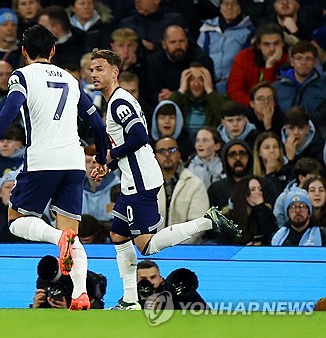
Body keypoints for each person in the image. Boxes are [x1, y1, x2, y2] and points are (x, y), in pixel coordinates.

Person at [0, 24, 109, 310]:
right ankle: (81, 294)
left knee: (16, 221)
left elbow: (10, 107)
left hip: (42, 160)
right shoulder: (70, 80)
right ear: (53, 51)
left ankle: (58, 238)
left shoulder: (22, 75)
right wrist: (103, 157)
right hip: (74, 162)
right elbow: (96, 122)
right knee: (72, 231)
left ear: (23, 52)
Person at [89, 48, 240, 310]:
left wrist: (110, 155)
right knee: (117, 235)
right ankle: (130, 300)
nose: (94, 74)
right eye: (91, 69)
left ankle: (207, 221)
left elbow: (139, 138)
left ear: (115, 72)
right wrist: (109, 165)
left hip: (140, 179)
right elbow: (129, 143)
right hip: (132, 176)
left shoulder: (118, 102)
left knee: (146, 246)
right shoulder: (116, 99)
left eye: (100, 69)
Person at [155, 137, 210, 244]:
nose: (167, 154)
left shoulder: (195, 184)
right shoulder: (144, 184)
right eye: (162, 151)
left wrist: (175, 246)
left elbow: (198, 224)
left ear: (179, 154)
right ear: (155, 156)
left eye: (172, 150)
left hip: (186, 250)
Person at [143, 25, 215, 106]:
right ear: (164, 44)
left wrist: (174, 95)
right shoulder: (154, 61)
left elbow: (205, 92)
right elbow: (150, 92)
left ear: (187, 42)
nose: (178, 46)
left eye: (181, 41)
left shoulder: (201, 60)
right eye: (173, 42)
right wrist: (160, 97)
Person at [197, 0, 254, 93]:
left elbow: (246, 60)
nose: (229, 7)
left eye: (234, 4)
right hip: (206, 80)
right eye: (226, 4)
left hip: (232, 82)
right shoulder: (207, 28)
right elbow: (199, 54)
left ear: (240, 9)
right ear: (220, 8)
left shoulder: (248, 31)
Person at [272, 41, 326, 137]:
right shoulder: (277, 87)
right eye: (299, 58)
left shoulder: (324, 86)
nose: (303, 63)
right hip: (281, 137)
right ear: (291, 61)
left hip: (317, 139)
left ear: (315, 63)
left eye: (308, 59)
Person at [227, 21, 287, 106]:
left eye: (276, 43)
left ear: (282, 44)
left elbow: (275, 95)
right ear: (259, 45)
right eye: (266, 44)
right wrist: (256, 105)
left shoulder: (287, 60)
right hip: (248, 107)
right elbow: (235, 92)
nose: (272, 48)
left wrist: (269, 67)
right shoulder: (243, 58)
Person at [169, 62, 230, 140]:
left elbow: (225, 117)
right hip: (183, 145)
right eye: (192, 79)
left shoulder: (217, 99)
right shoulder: (180, 99)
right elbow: (165, 111)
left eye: (201, 79)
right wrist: (181, 89)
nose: (196, 84)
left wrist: (209, 90)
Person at [221, 175, 278, 245]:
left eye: (260, 189)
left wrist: (261, 207)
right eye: (253, 189)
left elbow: (273, 236)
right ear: (243, 193)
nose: (258, 193)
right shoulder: (227, 220)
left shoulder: (264, 212)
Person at [273, 157, 324, 228]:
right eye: (313, 177)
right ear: (301, 178)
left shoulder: (320, 195)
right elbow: (280, 226)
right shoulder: (284, 198)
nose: (316, 180)